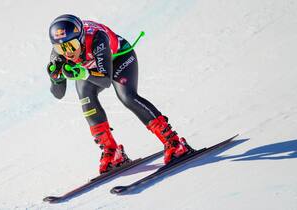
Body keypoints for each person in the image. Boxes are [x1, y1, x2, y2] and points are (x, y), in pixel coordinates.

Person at [47, 14, 194, 174]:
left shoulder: (97, 38)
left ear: (81, 38)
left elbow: (105, 81)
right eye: (61, 48)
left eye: (72, 45)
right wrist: (55, 79)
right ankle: (112, 151)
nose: (67, 53)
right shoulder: (58, 55)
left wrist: (83, 73)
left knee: (127, 96)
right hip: (92, 68)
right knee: (85, 96)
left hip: (119, 57)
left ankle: (173, 141)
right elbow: (58, 94)